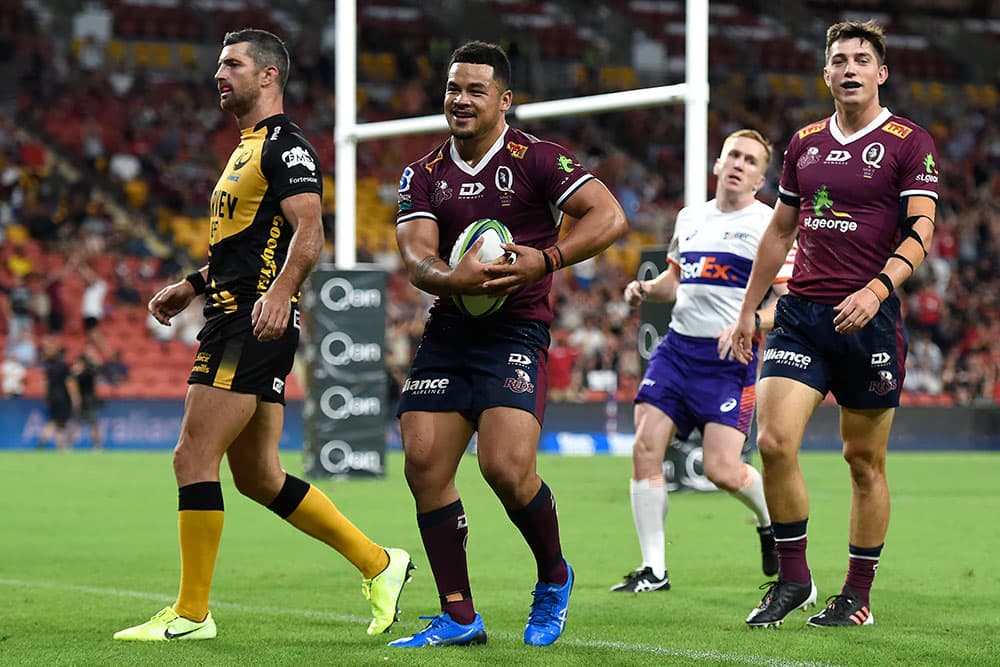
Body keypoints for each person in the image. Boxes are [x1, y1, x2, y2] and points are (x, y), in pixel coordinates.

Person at [114, 29, 413, 642]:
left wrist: (278, 294)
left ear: (268, 75)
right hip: (239, 313)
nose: (218, 75)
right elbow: (249, 242)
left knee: (192, 456)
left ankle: (192, 615)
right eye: (218, 64)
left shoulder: (286, 147)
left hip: (249, 321)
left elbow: (309, 231)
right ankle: (380, 564)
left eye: (232, 64)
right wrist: (193, 283)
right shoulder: (245, 148)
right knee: (258, 476)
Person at [389, 41, 627, 648]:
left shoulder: (537, 159)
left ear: (504, 100)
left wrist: (544, 260)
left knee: (505, 467)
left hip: (515, 332)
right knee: (423, 464)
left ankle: (554, 575)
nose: (460, 100)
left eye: (475, 90)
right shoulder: (422, 173)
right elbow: (417, 257)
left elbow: (609, 217)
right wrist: (451, 278)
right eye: (452, 89)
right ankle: (459, 616)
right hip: (448, 331)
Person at [731, 20, 938, 628]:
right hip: (801, 316)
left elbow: (920, 229)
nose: (849, 69)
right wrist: (749, 308)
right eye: (838, 61)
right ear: (825, 74)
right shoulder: (804, 143)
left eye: (860, 60)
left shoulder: (908, 142)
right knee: (772, 442)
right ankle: (793, 580)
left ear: (881, 73)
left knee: (862, 461)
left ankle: (856, 595)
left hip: (870, 321)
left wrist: (878, 290)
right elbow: (779, 230)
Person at [611, 129, 790, 594]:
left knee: (721, 470)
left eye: (751, 161)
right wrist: (648, 290)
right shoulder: (690, 218)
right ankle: (654, 570)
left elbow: (789, 304)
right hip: (676, 351)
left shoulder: (769, 226)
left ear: (760, 178)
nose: (738, 163)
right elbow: (676, 278)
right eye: (733, 154)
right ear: (717, 164)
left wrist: (752, 323)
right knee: (645, 449)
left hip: (728, 359)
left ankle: (768, 522)